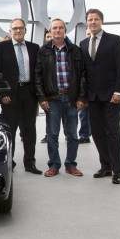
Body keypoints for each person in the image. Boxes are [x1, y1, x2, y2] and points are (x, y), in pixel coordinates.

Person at [80, 9, 120, 184]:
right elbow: (83, 72)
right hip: (92, 97)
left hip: (111, 96)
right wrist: (83, 96)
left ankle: (117, 171)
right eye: (90, 19)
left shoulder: (114, 40)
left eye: (96, 19)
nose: (92, 22)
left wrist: (118, 91)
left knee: (113, 132)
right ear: (87, 22)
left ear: (102, 21)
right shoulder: (83, 43)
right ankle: (106, 166)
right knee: (98, 133)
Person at [35, 19, 87, 178]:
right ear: (50, 31)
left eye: (60, 28)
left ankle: (71, 164)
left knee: (72, 134)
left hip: (71, 99)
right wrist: (41, 98)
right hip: (52, 99)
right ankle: (54, 165)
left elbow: (83, 76)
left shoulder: (76, 51)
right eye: (54, 28)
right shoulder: (43, 51)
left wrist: (81, 98)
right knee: (52, 134)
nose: (57, 30)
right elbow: (37, 76)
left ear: (65, 30)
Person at [0, 18, 41, 174]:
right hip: (9, 95)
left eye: (21, 28)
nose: (18, 31)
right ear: (10, 31)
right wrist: (2, 94)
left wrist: (39, 96)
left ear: (25, 30)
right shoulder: (1, 47)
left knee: (29, 131)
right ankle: (9, 163)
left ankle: (30, 164)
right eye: (15, 28)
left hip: (29, 94)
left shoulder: (34, 48)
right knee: (10, 131)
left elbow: (38, 73)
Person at [78, 28, 92, 144]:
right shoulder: (82, 46)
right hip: (84, 89)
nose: (89, 36)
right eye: (87, 34)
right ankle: (84, 135)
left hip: (98, 90)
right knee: (83, 114)